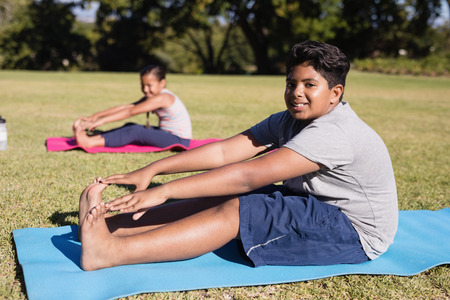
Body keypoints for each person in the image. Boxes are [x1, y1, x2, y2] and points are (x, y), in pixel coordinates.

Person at [78, 40, 398, 271]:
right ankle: (111, 227)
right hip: (314, 205)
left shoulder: (333, 132)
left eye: (309, 85)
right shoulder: (288, 119)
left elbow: (248, 176)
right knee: (219, 194)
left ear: (335, 93)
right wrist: (153, 170)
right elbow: (225, 151)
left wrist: (164, 191)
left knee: (239, 208)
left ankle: (111, 252)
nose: (296, 92)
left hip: (353, 232)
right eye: (291, 83)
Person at [73, 64, 192, 148]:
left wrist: (102, 121)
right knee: (131, 126)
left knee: (135, 131)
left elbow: (131, 112)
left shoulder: (163, 98)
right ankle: (94, 137)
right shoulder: (155, 96)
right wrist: (96, 116)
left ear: (162, 83)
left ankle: (90, 143)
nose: (145, 90)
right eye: (143, 85)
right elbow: (128, 107)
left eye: (149, 85)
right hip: (167, 133)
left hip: (179, 140)